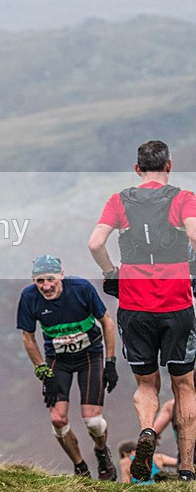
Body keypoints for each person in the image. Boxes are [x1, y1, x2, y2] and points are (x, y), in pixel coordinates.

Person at [88, 139, 196, 482]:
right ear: (168, 165)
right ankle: (187, 470)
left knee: (147, 384)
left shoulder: (119, 201)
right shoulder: (183, 199)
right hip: (177, 304)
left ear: (137, 169)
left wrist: (110, 274)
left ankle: (147, 430)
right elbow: (195, 235)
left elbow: (95, 243)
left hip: (134, 306)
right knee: (184, 387)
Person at [16, 255, 118, 480]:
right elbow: (27, 336)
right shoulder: (29, 297)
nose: (46, 286)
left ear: (61, 275)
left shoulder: (81, 288)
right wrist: (43, 371)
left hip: (89, 356)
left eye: (50, 279)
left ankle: (102, 452)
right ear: (34, 281)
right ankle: (80, 467)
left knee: (92, 420)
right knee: (57, 419)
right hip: (58, 360)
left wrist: (110, 363)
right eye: (40, 281)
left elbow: (107, 322)